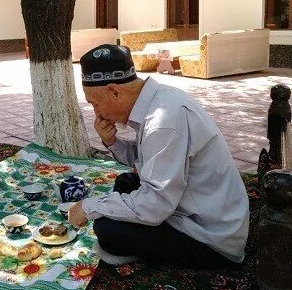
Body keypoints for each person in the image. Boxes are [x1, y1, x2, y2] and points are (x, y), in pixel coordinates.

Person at [68, 44, 249, 269]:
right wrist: (112, 142)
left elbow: (155, 206)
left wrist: (87, 206)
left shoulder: (163, 122)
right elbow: (148, 158)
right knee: (125, 183)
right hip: (190, 206)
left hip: (210, 239)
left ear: (115, 91)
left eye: (95, 103)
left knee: (106, 227)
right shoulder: (160, 100)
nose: (97, 113)